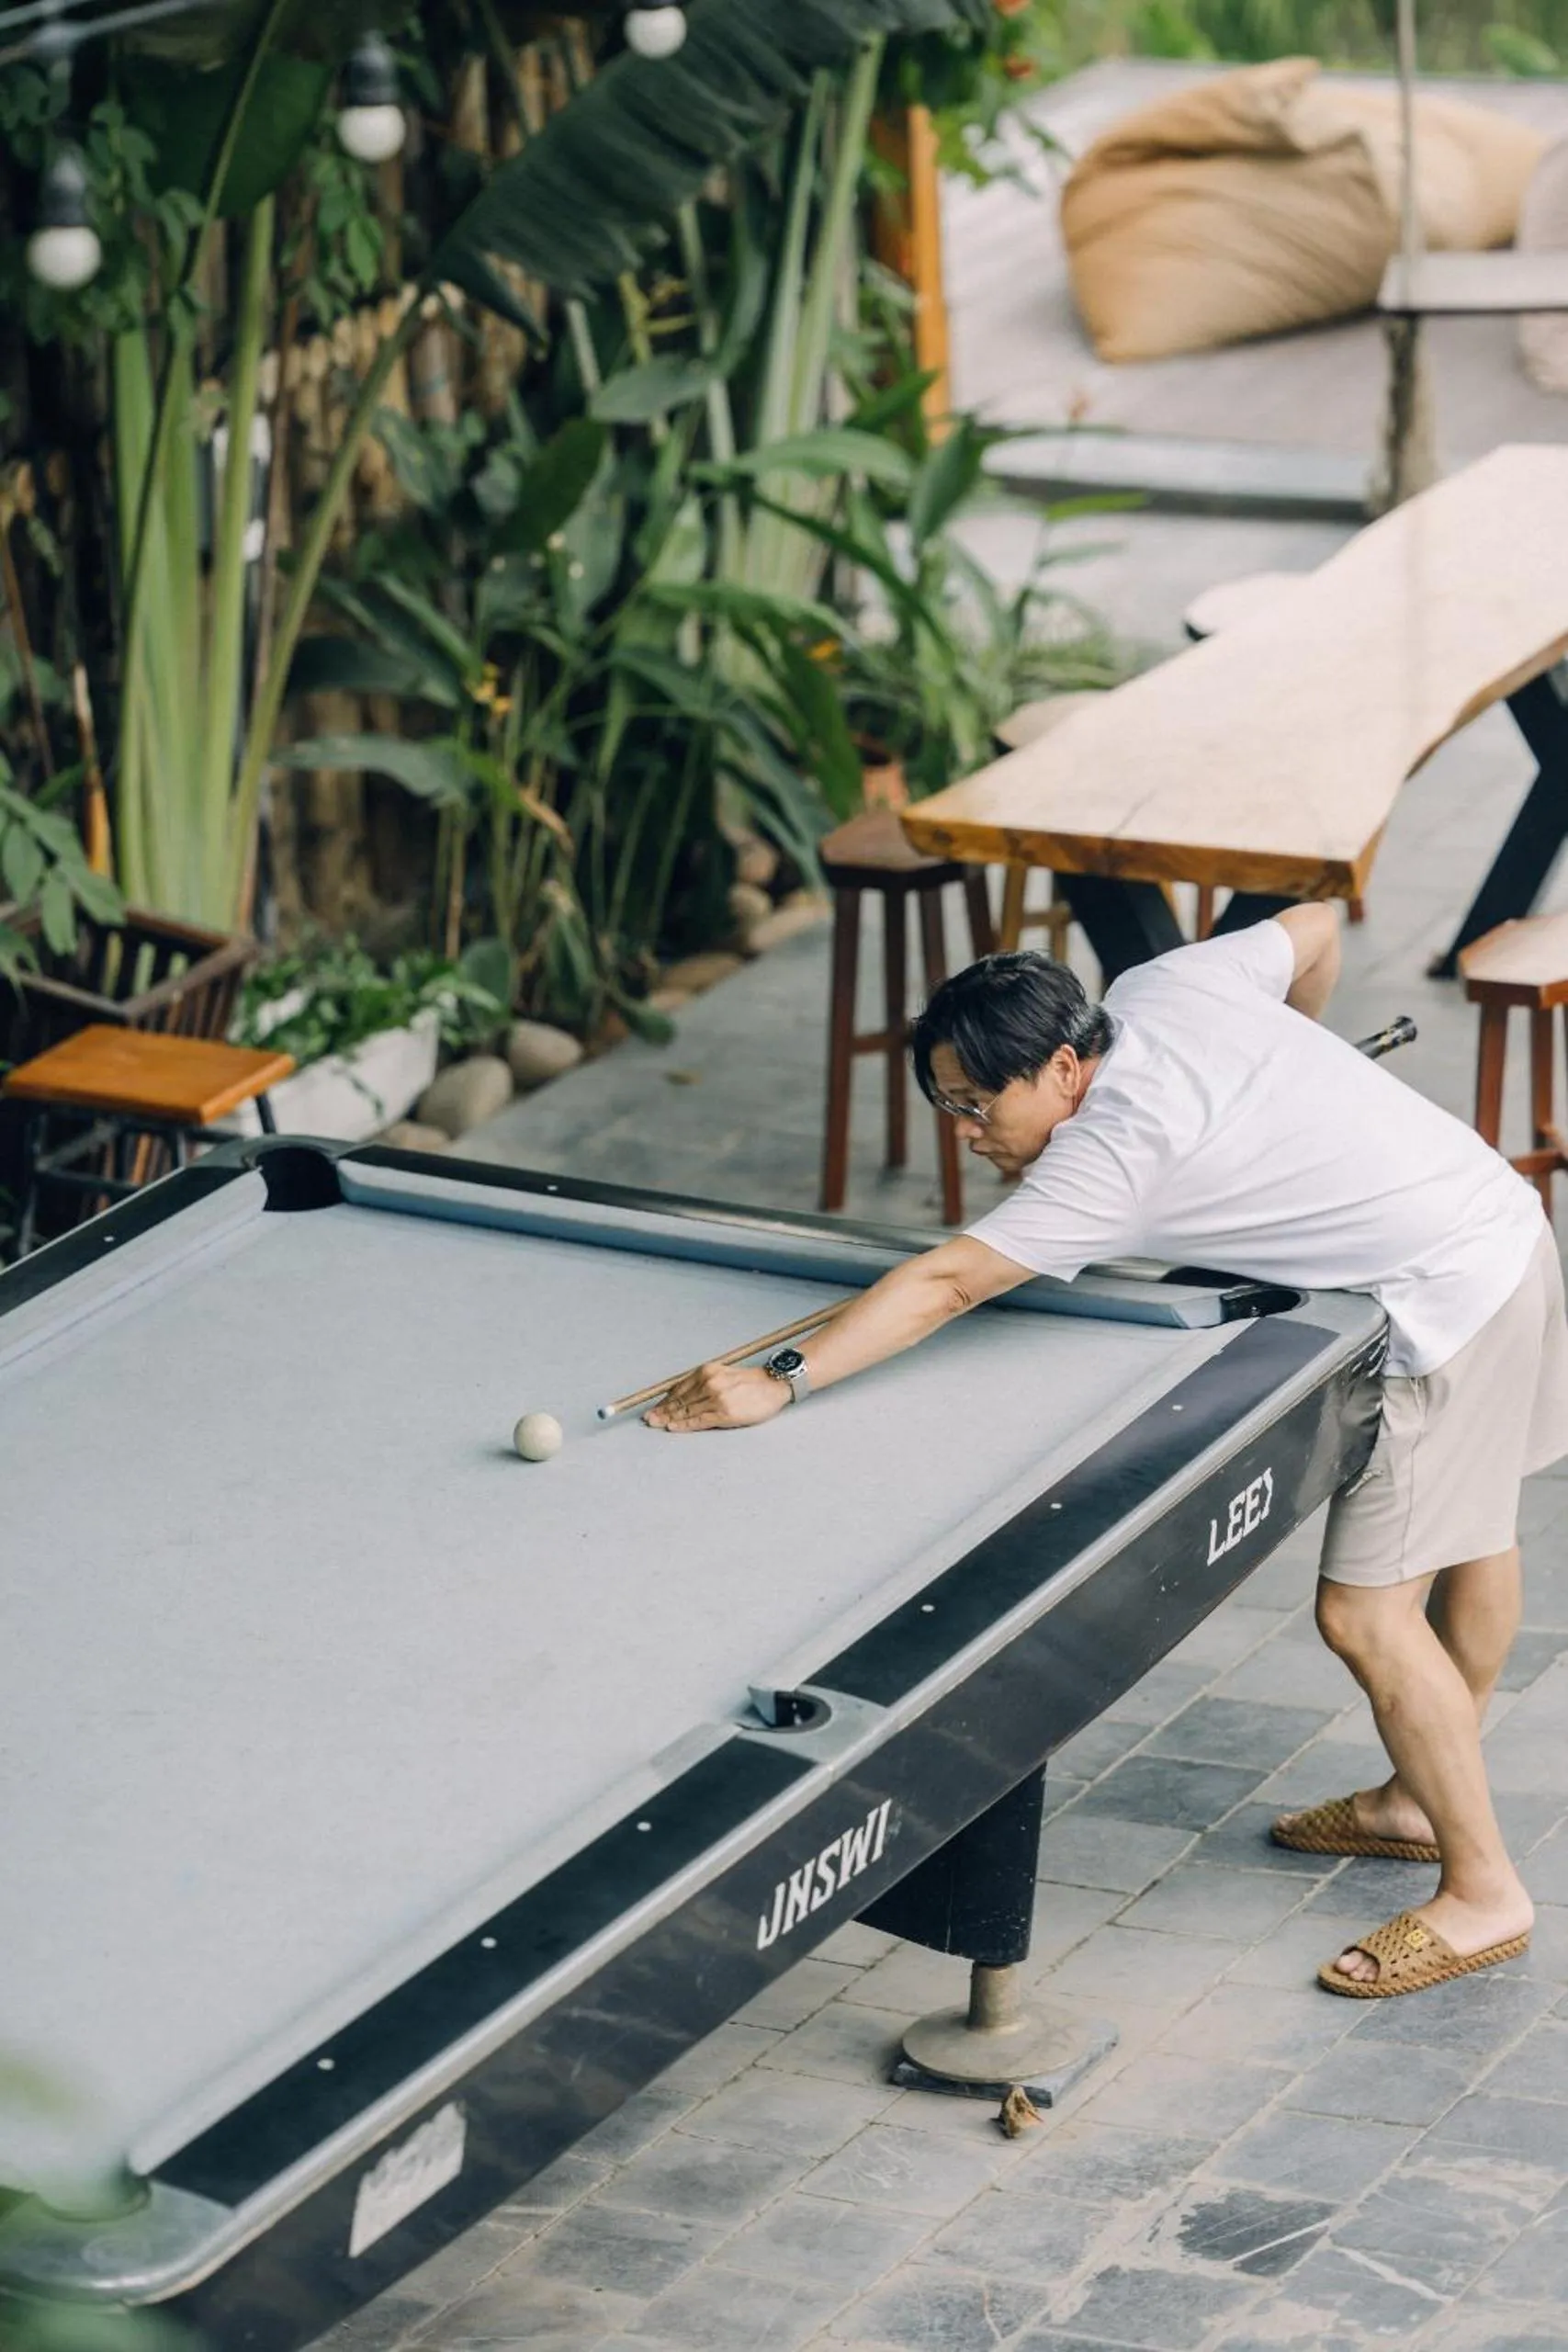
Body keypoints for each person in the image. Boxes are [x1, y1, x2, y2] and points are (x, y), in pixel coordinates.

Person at [647, 909, 1568, 2000]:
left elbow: (946, 1283)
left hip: (1448, 1296)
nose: (964, 1130)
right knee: (1474, 1530)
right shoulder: (1160, 987)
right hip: (1504, 1228)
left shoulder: (1109, 1161)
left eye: (978, 1104)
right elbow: (1317, 926)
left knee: (1364, 1614)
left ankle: (1484, 1892)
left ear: (1068, 1066)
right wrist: (1287, 1068)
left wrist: (780, 1377)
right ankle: (1421, 1799)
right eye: (946, 1103)